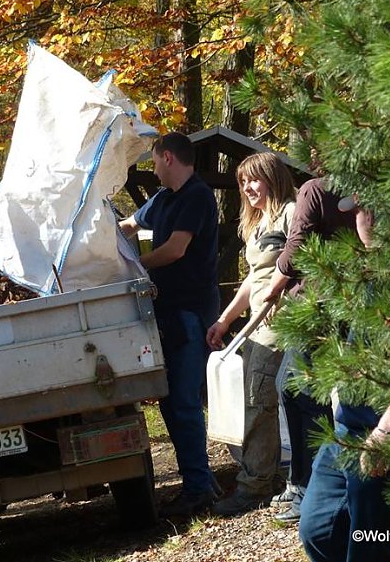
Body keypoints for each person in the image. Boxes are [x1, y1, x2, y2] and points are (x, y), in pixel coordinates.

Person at [297, 199, 390, 562]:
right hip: (345, 434)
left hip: (385, 437)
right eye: (360, 209)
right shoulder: (362, 273)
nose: (363, 218)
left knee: (369, 547)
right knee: (316, 531)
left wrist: (387, 432)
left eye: (371, 209)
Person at [119, 131, 220, 517]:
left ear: (168, 158)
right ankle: (198, 480)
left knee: (183, 402)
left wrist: (134, 268)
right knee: (168, 401)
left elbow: (176, 249)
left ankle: (198, 487)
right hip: (168, 316)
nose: (153, 167)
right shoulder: (163, 199)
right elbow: (129, 224)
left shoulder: (196, 195)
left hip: (191, 314)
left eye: (155, 160)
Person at [263, 176, 358, 522]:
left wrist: (278, 275)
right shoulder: (362, 184)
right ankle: (306, 483)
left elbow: (294, 253)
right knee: (302, 390)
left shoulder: (315, 189)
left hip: (317, 304)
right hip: (350, 301)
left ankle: (315, 489)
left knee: (299, 391)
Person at [206, 152, 296, 516]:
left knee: (260, 401)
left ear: (273, 178)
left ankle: (255, 485)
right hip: (255, 326)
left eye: (254, 179)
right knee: (250, 399)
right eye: (243, 182)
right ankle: (266, 475)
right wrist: (225, 321)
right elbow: (253, 280)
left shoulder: (291, 212)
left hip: (281, 325)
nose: (248, 188)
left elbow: (301, 261)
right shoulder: (257, 224)